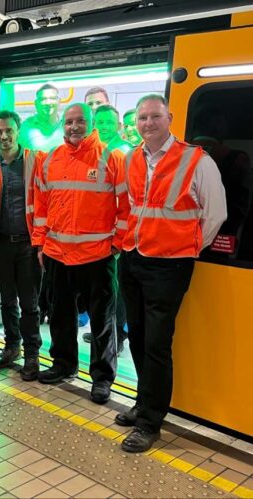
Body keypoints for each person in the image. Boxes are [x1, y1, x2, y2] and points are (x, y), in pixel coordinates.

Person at [118, 94, 226, 453]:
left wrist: (187, 246)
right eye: (142, 117)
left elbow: (215, 215)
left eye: (155, 116)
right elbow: (131, 206)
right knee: (136, 336)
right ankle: (142, 402)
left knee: (156, 345)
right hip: (133, 258)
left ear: (170, 118)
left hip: (169, 265)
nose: (148, 123)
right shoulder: (132, 157)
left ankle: (150, 423)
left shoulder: (197, 160)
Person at [32, 102, 129, 404]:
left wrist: (117, 243)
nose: (74, 127)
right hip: (58, 254)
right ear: (63, 124)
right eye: (70, 121)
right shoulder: (50, 160)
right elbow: (41, 207)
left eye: (80, 121)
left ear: (91, 124)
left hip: (97, 256)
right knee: (61, 317)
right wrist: (40, 242)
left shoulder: (111, 157)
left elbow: (126, 206)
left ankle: (101, 378)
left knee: (102, 322)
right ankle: (63, 365)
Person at [0, 111, 42, 381]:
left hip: (29, 245)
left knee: (30, 303)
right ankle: (12, 347)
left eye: (9, 130)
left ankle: (32, 353)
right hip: (2, 244)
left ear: (18, 130)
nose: (4, 136)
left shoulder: (36, 161)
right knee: (6, 300)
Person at [84, 104, 131, 352]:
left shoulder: (123, 152)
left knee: (116, 290)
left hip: (116, 235)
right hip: (99, 235)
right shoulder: (95, 152)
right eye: (99, 123)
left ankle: (118, 336)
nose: (102, 127)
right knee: (102, 292)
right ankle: (102, 331)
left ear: (118, 126)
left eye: (108, 123)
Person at [20, 84, 62, 153]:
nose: (48, 103)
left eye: (52, 98)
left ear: (59, 102)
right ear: (36, 103)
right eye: (43, 99)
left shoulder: (67, 126)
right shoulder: (25, 127)